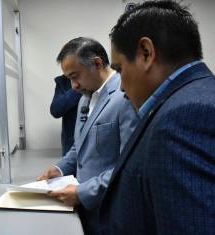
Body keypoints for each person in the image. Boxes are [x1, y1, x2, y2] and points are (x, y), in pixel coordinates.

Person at [99, 1, 215, 234]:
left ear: (146, 52)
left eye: (120, 69)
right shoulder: (196, 96)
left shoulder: (182, 119)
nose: (121, 87)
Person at [37, 37, 138, 235]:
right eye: (69, 79)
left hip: (111, 212)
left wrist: (81, 193)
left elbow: (127, 166)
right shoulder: (85, 97)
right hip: (86, 210)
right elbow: (80, 145)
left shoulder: (125, 97)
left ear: (97, 64)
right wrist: (59, 168)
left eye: (75, 76)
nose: (73, 86)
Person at [50, 74, 81, 155]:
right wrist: (75, 90)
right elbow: (55, 110)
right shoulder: (63, 81)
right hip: (70, 143)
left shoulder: (94, 79)